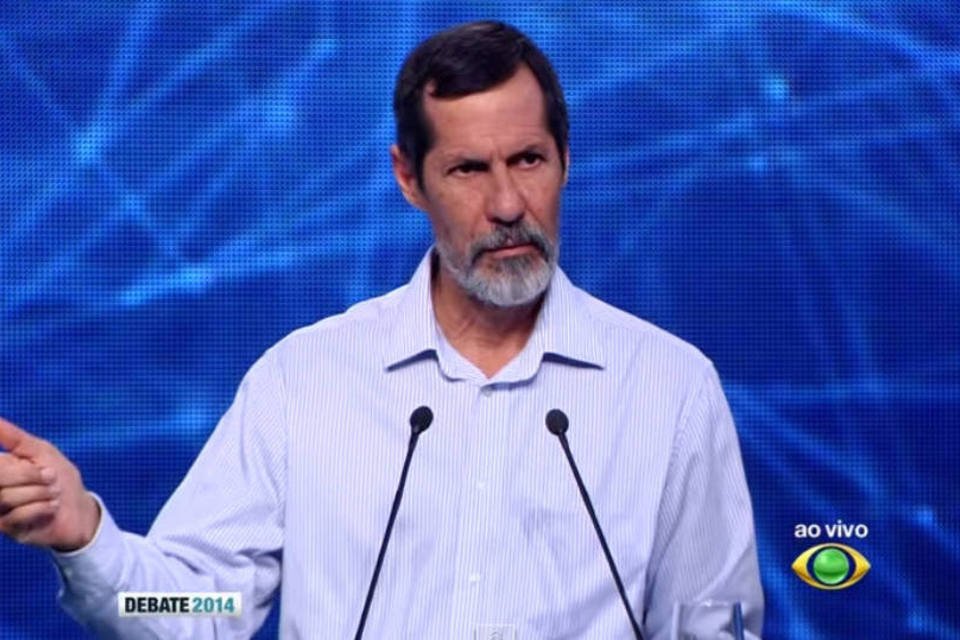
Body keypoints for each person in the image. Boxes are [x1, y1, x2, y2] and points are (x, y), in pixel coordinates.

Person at [0, 20, 763, 639]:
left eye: (528, 160)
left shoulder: (668, 387)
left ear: (566, 160)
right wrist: (86, 539)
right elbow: (195, 607)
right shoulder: (305, 381)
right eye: (468, 170)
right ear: (409, 178)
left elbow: (716, 625)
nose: (506, 205)